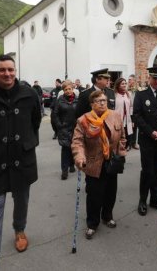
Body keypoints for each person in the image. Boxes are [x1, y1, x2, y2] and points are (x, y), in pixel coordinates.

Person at [0, 55, 41, 269]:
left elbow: (35, 122)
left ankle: (19, 229)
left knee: (21, 202)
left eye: (10, 69)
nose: (7, 73)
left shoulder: (30, 94)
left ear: (15, 70)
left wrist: (27, 143)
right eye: (2, 69)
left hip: (22, 161)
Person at [72, 90, 126, 239]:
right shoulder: (84, 120)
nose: (102, 103)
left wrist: (121, 153)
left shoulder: (115, 116)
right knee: (94, 195)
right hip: (93, 163)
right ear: (91, 104)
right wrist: (79, 156)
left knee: (110, 192)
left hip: (111, 162)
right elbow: (77, 141)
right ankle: (92, 223)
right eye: (98, 101)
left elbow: (122, 136)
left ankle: (107, 216)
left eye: (104, 100)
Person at [132, 66, 157, 216]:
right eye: (155, 78)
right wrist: (151, 132)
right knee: (147, 171)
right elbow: (136, 116)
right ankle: (143, 200)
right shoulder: (141, 95)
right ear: (149, 78)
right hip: (147, 140)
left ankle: (155, 199)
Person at [52, 80, 78, 180]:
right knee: (65, 149)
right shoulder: (60, 100)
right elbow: (55, 114)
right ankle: (64, 171)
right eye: (66, 89)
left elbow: (80, 113)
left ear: (73, 89)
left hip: (75, 128)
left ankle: (71, 165)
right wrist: (59, 125)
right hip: (64, 128)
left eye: (69, 89)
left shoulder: (77, 100)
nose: (68, 91)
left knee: (73, 147)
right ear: (63, 90)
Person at [114, 78, 133, 150]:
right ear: (118, 85)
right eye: (122, 84)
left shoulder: (128, 94)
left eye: (125, 83)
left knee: (127, 136)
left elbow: (131, 107)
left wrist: (132, 119)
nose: (124, 85)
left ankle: (125, 148)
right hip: (117, 120)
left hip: (127, 120)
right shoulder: (115, 95)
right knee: (118, 137)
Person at [128, 74, 140, 150]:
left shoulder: (138, 90)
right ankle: (128, 144)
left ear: (134, 81)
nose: (128, 81)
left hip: (135, 111)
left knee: (135, 128)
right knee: (128, 127)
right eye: (128, 80)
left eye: (130, 80)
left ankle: (134, 143)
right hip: (128, 111)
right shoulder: (126, 89)